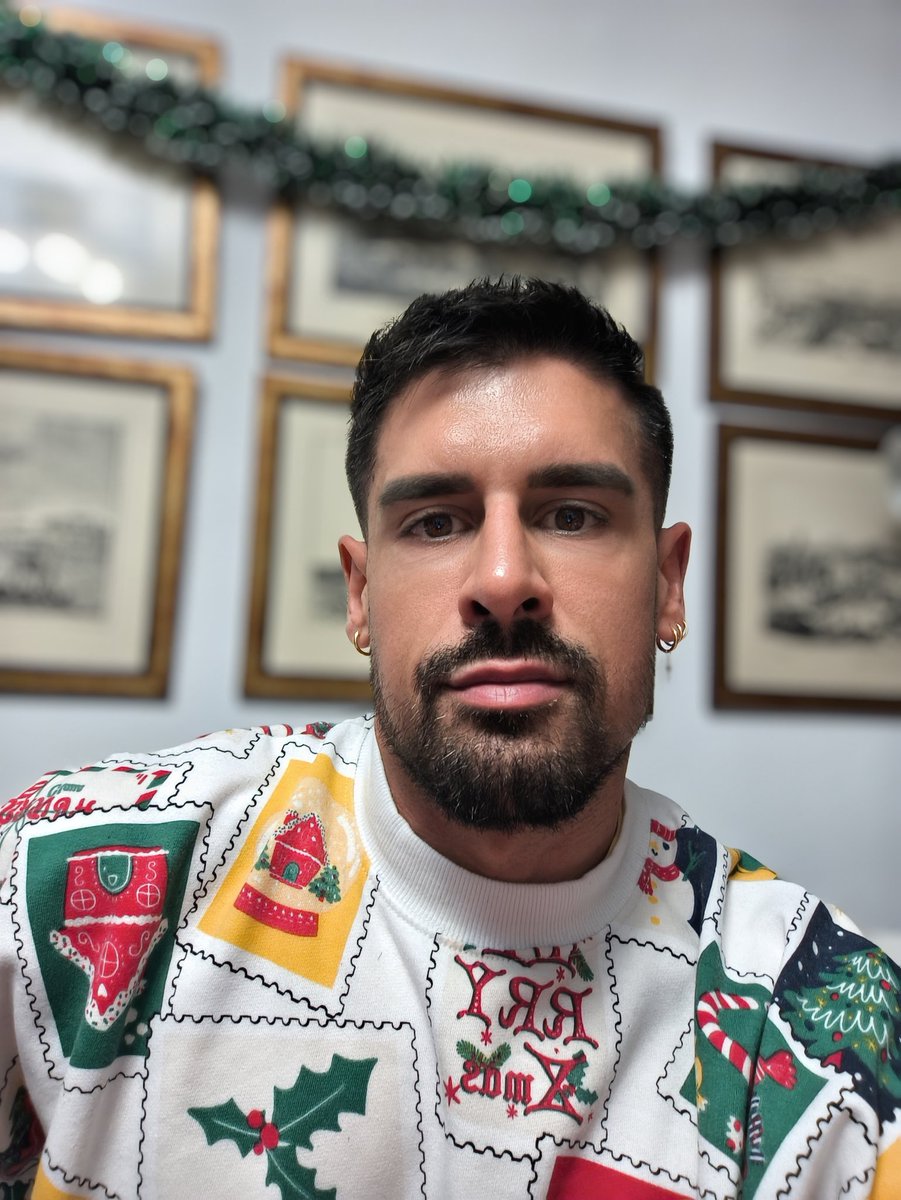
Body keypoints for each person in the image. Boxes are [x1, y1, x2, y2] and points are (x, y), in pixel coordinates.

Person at [1, 278, 898, 1200]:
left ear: (667, 585)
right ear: (360, 595)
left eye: (572, 514)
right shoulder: (72, 880)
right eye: (435, 522)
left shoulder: (815, 1027)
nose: (503, 580)